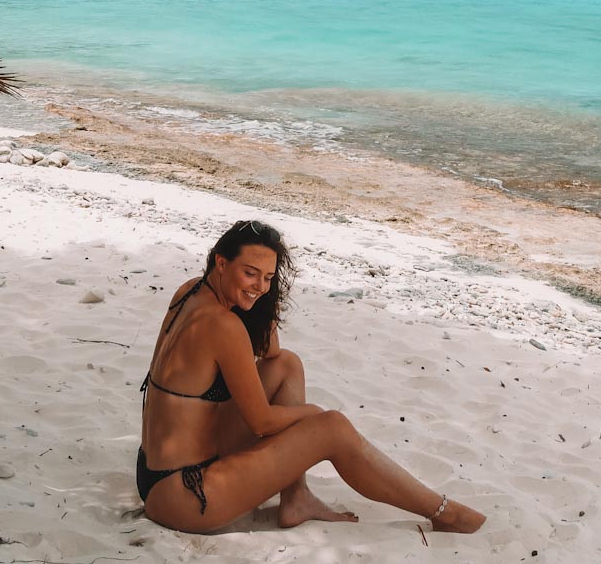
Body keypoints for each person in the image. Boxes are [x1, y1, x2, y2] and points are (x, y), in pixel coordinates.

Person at [137, 217, 487, 535]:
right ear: (222, 262)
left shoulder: (191, 289)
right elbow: (261, 422)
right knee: (332, 428)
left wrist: (256, 296)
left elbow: (272, 354)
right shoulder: (223, 326)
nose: (259, 285)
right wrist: (313, 413)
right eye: (250, 273)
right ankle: (442, 512)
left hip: (155, 473)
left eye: (269, 277)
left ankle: (296, 498)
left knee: (287, 365)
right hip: (186, 495)